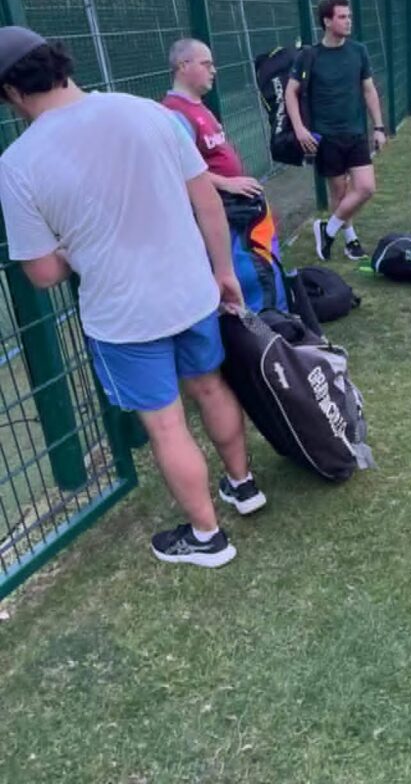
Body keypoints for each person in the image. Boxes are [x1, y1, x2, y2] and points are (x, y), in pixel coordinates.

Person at [0, 28, 266, 569]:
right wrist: (222, 272)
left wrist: (76, 245)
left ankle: (207, 537)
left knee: (166, 425)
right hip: (192, 291)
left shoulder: (18, 163)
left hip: (123, 316)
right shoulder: (151, 113)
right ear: (61, 65)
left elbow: (45, 273)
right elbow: (209, 206)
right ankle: (244, 485)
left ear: (12, 92)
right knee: (211, 388)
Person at [284, 0, 386, 262]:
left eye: (349, 16)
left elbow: (368, 89)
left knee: (365, 188)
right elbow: (290, 93)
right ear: (327, 21)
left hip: (355, 132)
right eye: (342, 17)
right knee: (339, 193)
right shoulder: (310, 56)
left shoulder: (358, 51)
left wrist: (379, 127)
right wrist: (299, 129)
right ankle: (350, 240)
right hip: (326, 137)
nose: (348, 21)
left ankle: (327, 230)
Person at [162, 38, 261, 199]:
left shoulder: (198, 105)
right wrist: (226, 183)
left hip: (230, 203)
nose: (213, 70)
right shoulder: (175, 113)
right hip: (214, 206)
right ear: (183, 66)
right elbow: (179, 170)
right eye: (206, 64)